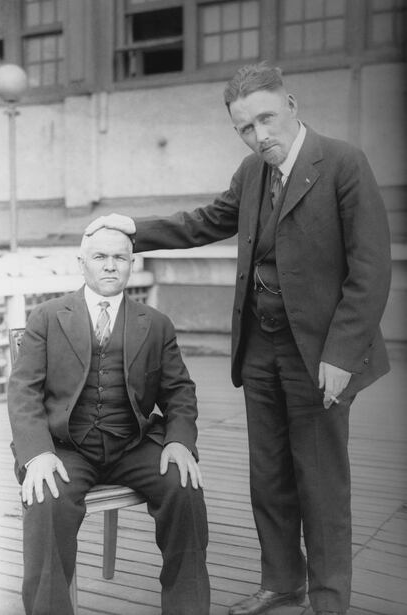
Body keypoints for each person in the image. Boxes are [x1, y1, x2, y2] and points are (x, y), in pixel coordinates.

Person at [85, 63, 392, 615]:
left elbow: (370, 272)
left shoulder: (344, 163)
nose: (259, 136)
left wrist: (343, 354)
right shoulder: (253, 172)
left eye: (266, 120)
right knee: (268, 476)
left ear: (292, 106)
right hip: (260, 351)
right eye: (245, 129)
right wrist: (132, 228)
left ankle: (329, 600)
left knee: (321, 484)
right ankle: (281, 584)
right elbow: (205, 222)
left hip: (319, 355)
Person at [7, 225, 210, 615]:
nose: (110, 266)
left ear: (131, 265)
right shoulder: (47, 317)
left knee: (183, 487)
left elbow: (179, 391)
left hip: (133, 444)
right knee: (46, 500)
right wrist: (37, 454)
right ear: (82, 263)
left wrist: (179, 441)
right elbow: (23, 392)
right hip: (66, 448)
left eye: (120, 258)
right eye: (100, 257)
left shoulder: (155, 322)